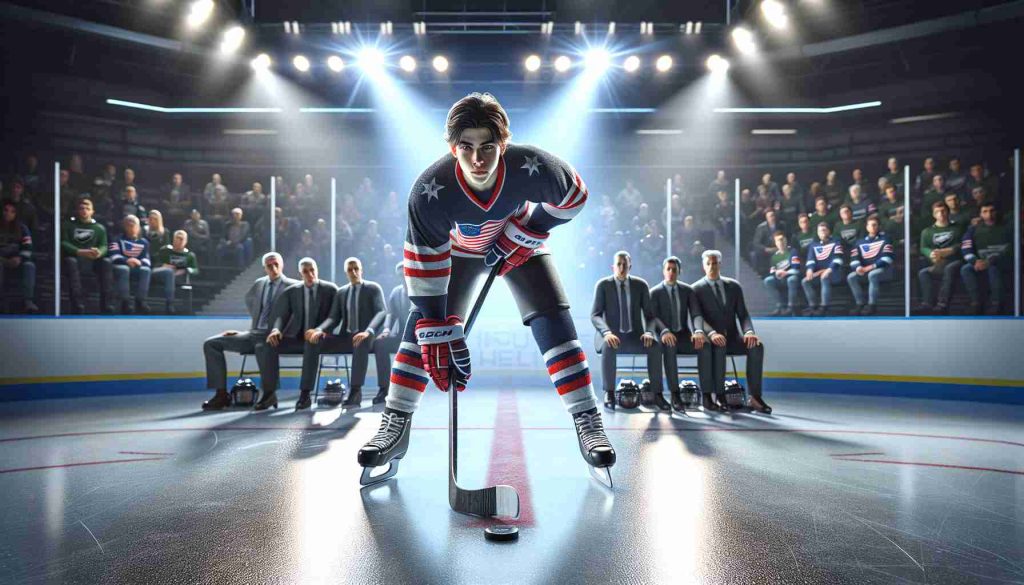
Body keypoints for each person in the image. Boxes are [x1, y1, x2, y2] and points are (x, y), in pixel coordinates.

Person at [358, 92, 615, 484]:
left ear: (504, 144)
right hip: (457, 253)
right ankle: (396, 423)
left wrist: (528, 231)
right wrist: (434, 327)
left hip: (518, 244)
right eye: (467, 147)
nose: (478, 159)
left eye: (488, 147)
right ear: (452, 147)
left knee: (554, 320)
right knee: (420, 333)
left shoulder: (531, 166)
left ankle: (587, 420)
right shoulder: (430, 189)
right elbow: (425, 262)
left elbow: (575, 195)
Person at [200, 252, 297, 410]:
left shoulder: (293, 286)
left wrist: (282, 331)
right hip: (254, 333)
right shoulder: (259, 284)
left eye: (276, 264)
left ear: (282, 265)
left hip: (278, 336)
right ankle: (221, 394)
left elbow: (297, 315)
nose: (273, 268)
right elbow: (251, 302)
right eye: (269, 265)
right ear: (264, 267)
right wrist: (248, 329)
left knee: (261, 347)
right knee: (211, 344)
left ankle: (269, 394)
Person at [691, 250, 770, 413]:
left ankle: (755, 397)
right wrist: (712, 333)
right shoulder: (696, 289)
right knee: (719, 346)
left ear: (720, 264)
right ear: (703, 266)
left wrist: (748, 332)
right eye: (708, 264)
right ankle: (718, 396)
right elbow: (697, 317)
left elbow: (743, 314)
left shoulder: (734, 286)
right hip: (712, 340)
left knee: (757, 346)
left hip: (733, 337)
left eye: (715, 263)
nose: (712, 267)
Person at [305, 257, 389, 409]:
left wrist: (368, 331)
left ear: (361, 270)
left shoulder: (373, 288)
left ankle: (356, 392)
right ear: (346, 272)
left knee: (360, 341)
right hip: (346, 336)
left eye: (356, 268)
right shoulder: (341, 292)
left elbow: (381, 312)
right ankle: (305, 393)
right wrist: (319, 330)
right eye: (350, 270)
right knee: (313, 341)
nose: (354, 272)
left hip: (367, 337)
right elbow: (333, 318)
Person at [259, 258, 338, 410]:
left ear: (317, 270)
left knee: (311, 342)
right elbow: (282, 315)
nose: (310, 274)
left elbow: (333, 317)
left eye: (312, 270)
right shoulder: (292, 292)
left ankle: (305, 394)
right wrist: (276, 330)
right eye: (305, 271)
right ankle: (269, 394)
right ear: (300, 274)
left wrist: (319, 330)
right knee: (269, 344)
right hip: (298, 338)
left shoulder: (330, 289)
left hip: (323, 338)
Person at [591, 251, 660, 410]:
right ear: (613, 267)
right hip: (611, 336)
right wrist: (606, 333)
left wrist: (649, 332)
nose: (621, 268)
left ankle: (657, 394)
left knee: (655, 347)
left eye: (624, 264)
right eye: (618, 265)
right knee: (609, 346)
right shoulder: (603, 285)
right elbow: (595, 315)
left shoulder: (640, 285)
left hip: (635, 336)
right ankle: (609, 392)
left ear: (630, 266)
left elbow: (650, 316)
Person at [649, 257, 710, 412]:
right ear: (663, 271)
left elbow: (696, 314)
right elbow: (653, 317)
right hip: (665, 335)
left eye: (674, 270)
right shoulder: (654, 292)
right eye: (668, 269)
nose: (671, 272)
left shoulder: (687, 290)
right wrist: (664, 331)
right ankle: (675, 394)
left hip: (684, 334)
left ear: (679, 272)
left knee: (705, 345)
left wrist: (698, 331)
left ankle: (707, 394)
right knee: (669, 345)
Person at [61, 198, 114, 314]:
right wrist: (79, 251)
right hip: (74, 260)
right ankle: (77, 304)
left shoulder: (100, 228)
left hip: (92, 261)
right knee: (71, 261)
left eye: (87, 208)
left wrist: (99, 252)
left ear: (92, 211)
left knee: (106, 262)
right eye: (81, 208)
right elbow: (63, 242)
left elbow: (104, 245)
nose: (84, 210)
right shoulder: (68, 225)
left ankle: (107, 305)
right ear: (77, 210)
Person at [960, 203, 1011, 315]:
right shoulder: (973, 229)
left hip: (1001, 261)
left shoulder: (1008, 227)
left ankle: (996, 303)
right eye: (985, 211)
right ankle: (976, 303)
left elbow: (1012, 248)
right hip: (981, 261)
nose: (989, 214)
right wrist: (974, 261)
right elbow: (966, 247)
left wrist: (991, 261)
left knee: (993, 268)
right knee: (966, 269)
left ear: (997, 212)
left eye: (992, 211)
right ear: (980, 214)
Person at [917, 201, 965, 314]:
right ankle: (927, 303)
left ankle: (942, 304)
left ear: (948, 212)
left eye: (943, 211)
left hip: (956, 260)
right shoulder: (927, 231)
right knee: (923, 273)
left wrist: (950, 250)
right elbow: (923, 247)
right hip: (938, 262)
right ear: (934, 215)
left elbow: (963, 243)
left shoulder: (958, 228)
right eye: (937, 212)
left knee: (949, 268)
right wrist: (931, 254)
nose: (941, 214)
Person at [846, 216, 895, 315]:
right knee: (851, 277)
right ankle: (860, 304)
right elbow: (854, 259)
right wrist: (858, 267)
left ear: (879, 226)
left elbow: (887, 258)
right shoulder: (859, 242)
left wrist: (869, 267)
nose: (872, 227)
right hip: (864, 270)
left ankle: (872, 305)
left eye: (874, 225)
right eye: (870, 225)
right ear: (866, 227)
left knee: (872, 274)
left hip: (883, 269)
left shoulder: (886, 239)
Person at [108, 215, 152, 314]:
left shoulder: (144, 242)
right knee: (124, 269)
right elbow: (113, 256)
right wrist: (127, 260)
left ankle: (140, 301)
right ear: (124, 226)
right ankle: (125, 301)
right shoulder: (116, 239)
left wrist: (139, 262)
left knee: (146, 270)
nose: (132, 227)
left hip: (137, 267)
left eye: (134, 224)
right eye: (129, 224)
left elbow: (148, 261)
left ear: (139, 227)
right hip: (120, 266)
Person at [0, 200, 38, 313]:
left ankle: (28, 301)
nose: (8, 213)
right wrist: (4, 261)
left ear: (16, 214)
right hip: (1, 260)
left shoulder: (22, 228)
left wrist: (20, 258)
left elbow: (28, 247)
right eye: (6, 210)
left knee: (29, 266)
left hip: (17, 260)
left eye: (12, 211)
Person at [802, 222, 845, 316]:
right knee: (805, 281)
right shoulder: (813, 245)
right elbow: (810, 260)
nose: (822, 232)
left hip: (834, 272)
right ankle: (813, 306)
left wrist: (828, 270)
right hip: (820, 273)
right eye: (820, 231)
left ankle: (824, 306)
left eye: (824, 230)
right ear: (817, 233)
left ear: (829, 231)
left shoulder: (836, 242)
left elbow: (838, 260)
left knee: (824, 277)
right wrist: (809, 269)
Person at [151, 230, 199, 314]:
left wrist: (186, 270)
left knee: (171, 275)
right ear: (173, 239)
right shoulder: (165, 250)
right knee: (168, 272)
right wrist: (164, 266)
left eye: (182, 239)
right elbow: (155, 263)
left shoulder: (190, 255)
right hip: (161, 275)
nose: (179, 241)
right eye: (177, 238)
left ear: (186, 241)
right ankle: (170, 304)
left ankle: (170, 304)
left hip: (179, 278)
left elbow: (195, 270)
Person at [762, 231, 801, 316]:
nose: (781, 242)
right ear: (775, 243)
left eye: (782, 240)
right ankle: (780, 306)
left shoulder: (793, 251)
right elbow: (772, 271)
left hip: (791, 276)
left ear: (786, 240)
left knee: (792, 279)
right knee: (768, 281)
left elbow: (796, 267)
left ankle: (791, 307)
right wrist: (777, 273)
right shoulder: (774, 256)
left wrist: (785, 272)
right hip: (780, 278)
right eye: (778, 241)